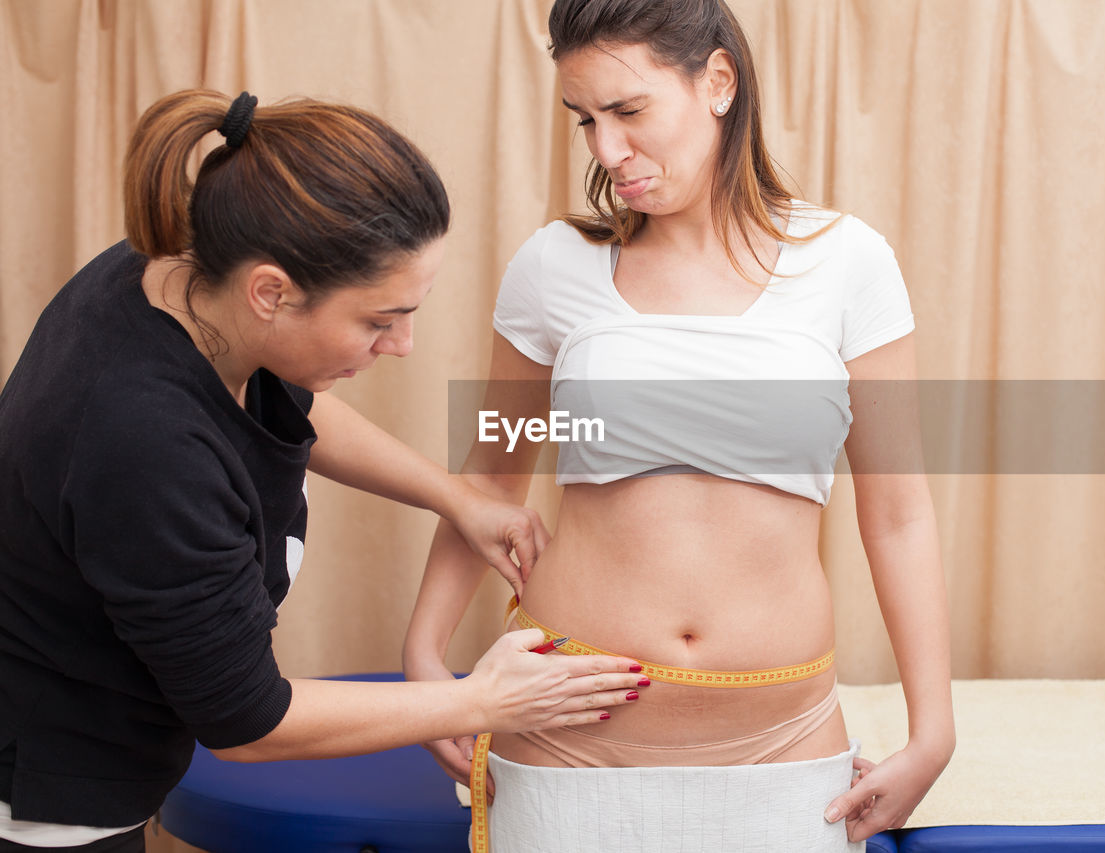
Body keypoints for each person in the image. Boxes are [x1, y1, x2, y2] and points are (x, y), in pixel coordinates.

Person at [0, 89, 650, 853]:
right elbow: (249, 723)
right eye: (379, 320)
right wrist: (483, 697)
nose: (403, 344)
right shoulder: (143, 442)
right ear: (270, 292)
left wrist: (456, 497)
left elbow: (283, 402)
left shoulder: (186, 276)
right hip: (53, 790)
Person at [403, 1, 955, 851]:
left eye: (628, 112)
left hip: (783, 750)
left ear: (719, 82)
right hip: (565, 748)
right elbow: (491, 471)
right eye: (584, 120)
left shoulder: (848, 264)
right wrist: (424, 654)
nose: (605, 149)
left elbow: (899, 510)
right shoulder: (555, 266)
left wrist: (933, 728)